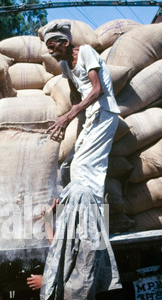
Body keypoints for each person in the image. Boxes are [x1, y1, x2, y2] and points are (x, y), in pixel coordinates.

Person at [42, 20, 120, 209]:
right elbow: (76, 99)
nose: (51, 52)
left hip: (105, 112)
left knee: (84, 167)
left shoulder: (86, 52)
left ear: (66, 43)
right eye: (49, 49)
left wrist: (68, 116)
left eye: (53, 47)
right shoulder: (65, 66)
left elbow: (97, 89)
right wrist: (64, 122)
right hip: (91, 116)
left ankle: (94, 220)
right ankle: (76, 213)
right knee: (68, 167)